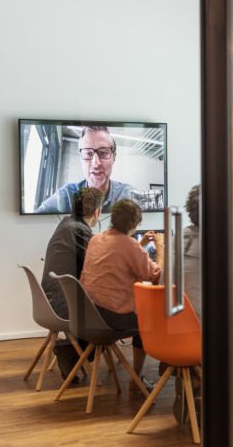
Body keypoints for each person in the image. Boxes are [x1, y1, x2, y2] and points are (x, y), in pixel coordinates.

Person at [80, 199, 160, 392]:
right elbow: (155, 275)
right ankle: (136, 378)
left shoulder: (96, 238)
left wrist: (139, 244)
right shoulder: (129, 245)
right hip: (112, 320)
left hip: (89, 314)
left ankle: (135, 376)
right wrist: (161, 245)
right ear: (135, 224)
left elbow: (122, 254)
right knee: (147, 324)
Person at [182, 185, 233, 366]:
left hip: (171, 330)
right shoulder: (225, 238)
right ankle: (206, 378)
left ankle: (192, 375)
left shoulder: (181, 235)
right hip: (203, 331)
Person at [40, 187, 103, 380]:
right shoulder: (79, 230)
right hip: (63, 303)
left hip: (50, 301)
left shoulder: (67, 224)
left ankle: (73, 351)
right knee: (112, 311)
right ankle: (71, 351)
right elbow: (99, 266)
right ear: (97, 211)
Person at [35, 126, 135, 214]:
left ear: (114, 158)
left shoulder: (129, 195)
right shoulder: (66, 197)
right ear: (81, 158)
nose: (96, 163)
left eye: (103, 153)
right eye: (88, 153)